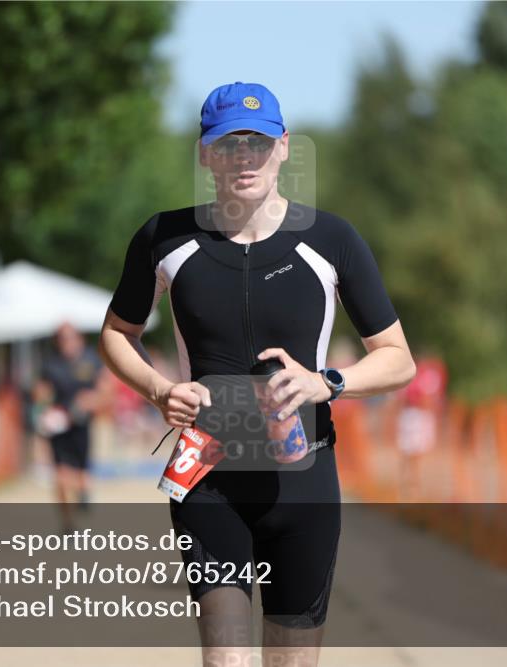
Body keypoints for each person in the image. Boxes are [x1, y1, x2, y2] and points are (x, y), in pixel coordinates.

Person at [98, 81, 416, 667]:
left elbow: (398, 357)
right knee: (227, 660)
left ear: (284, 147)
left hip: (304, 479)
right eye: (228, 145)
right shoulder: (164, 238)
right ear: (204, 154)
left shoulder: (331, 239)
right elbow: (117, 334)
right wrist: (159, 390)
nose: (244, 158)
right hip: (208, 476)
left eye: (258, 143)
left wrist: (328, 382)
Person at [42, 322, 111, 530]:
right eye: (62, 338)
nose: (66, 342)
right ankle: (67, 523)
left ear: (79, 338)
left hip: (82, 428)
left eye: (70, 337)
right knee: (61, 477)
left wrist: (89, 401)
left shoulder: (91, 360)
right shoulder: (50, 365)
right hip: (59, 428)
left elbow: (106, 393)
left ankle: (83, 494)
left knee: (82, 478)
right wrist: (44, 409)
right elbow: (41, 393)